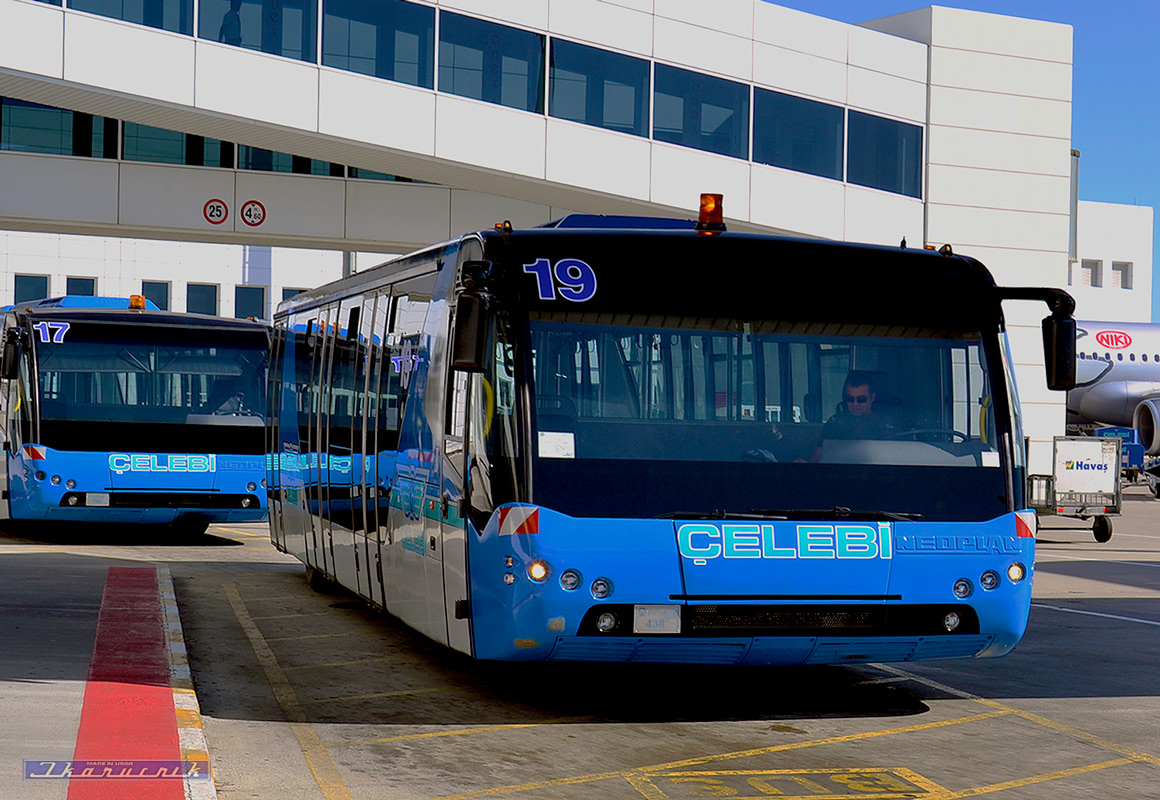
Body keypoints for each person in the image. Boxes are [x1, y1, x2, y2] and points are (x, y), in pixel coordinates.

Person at [811, 371, 891, 460]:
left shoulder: (885, 424)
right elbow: (817, 456)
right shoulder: (835, 423)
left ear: (872, 397)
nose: (855, 403)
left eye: (861, 399)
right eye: (850, 399)